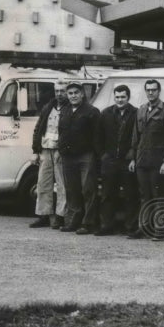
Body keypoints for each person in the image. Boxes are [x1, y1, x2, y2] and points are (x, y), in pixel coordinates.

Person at [128, 78, 164, 239]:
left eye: (153, 90)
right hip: (142, 159)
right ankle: (144, 227)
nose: (150, 92)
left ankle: (160, 229)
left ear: (159, 91)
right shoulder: (141, 110)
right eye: (148, 90)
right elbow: (136, 136)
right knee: (144, 194)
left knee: (159, 196)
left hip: (158, 160)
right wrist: (133, 158)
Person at [95, 84, 138, 236]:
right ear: (114, 97)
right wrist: (103, 155)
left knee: (130, 194)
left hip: (127, 161)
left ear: (128, 97)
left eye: (123, 97)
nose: (120, 100)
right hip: (110, 160)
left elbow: (139, 137)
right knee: (107, 194)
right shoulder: (106, 113)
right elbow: (98, 137)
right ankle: (107, 225)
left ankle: (130, 226)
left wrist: (133, 156)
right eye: (117, 97)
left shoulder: (136, 113)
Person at [58, 81, 100, 235]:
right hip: (68, 156)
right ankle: (73, 221)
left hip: (86, 156)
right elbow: (61, 132)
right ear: (67, 96)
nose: (73, 96)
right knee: (71, 189)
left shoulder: (92, 111)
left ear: (82, 94)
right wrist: (61, 150)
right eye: (70, 93)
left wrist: (96, 156)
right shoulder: (65, 110)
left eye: (76, 93)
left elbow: (97, 136)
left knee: (88, 189)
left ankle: (88, 223)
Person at [30, 81, 68, 228]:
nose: (59, 94)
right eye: (57, 91)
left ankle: (60, 216)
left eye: (62, 91)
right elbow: (38, 128)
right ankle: (43, 214)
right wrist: (35, 150)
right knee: (43, 183)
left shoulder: (69, 108)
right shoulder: (48, 107)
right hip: (46, 149)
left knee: (62, 185)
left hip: (60, 151)